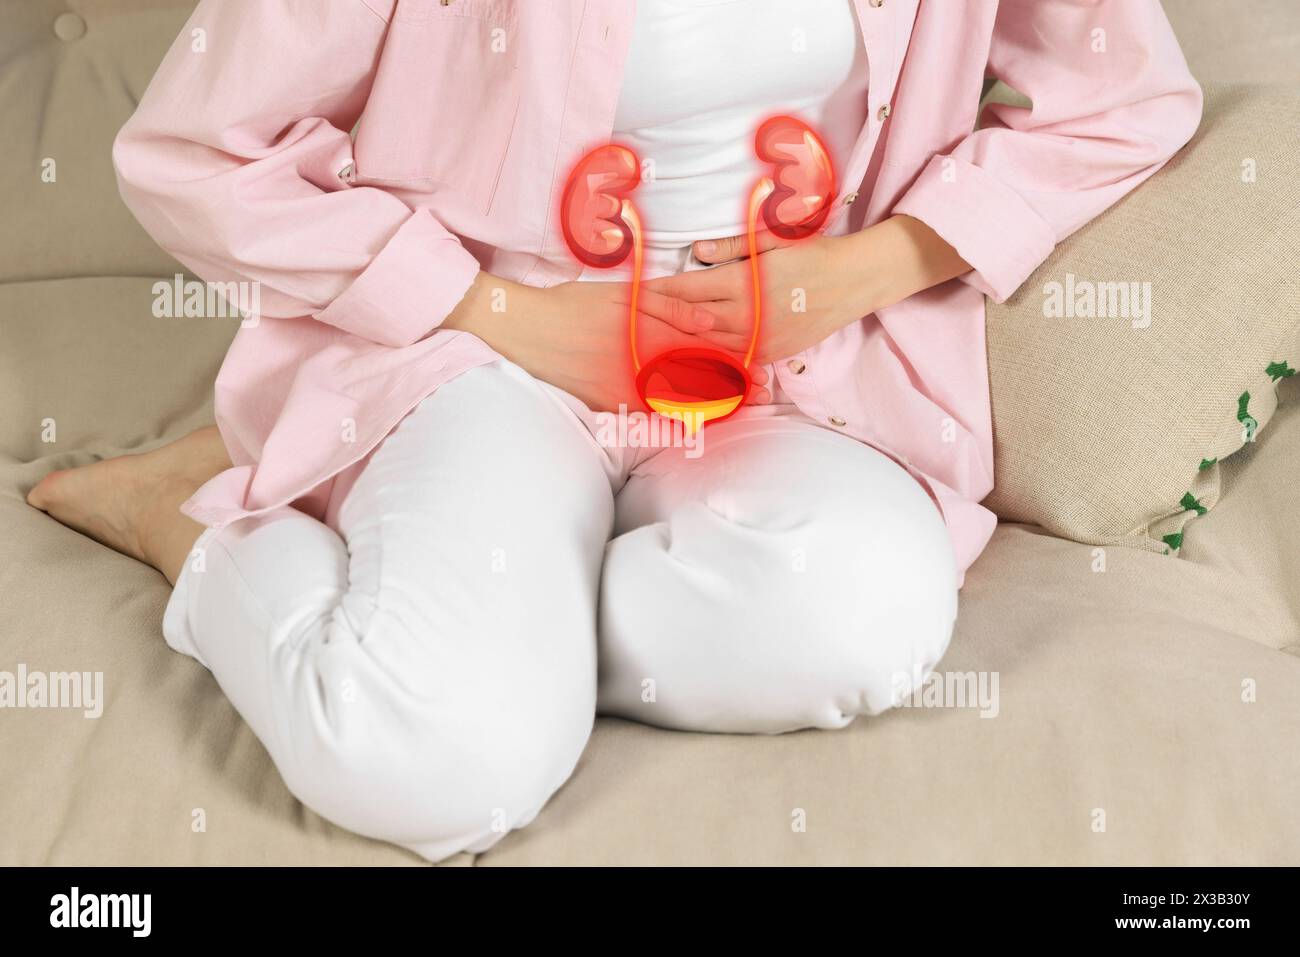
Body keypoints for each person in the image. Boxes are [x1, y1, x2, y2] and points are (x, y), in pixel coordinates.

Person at [27, 0, 1202, 862]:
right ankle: (199, 531)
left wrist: (852, 274)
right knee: (438, 765)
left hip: (797, 377)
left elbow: (1127, 99)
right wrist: (502, 314)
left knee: (857, 621)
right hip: (484, 359)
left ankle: (499, 612)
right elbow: (193, 153)